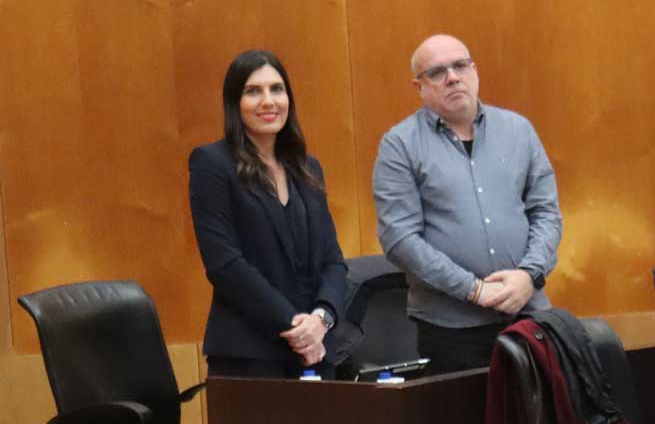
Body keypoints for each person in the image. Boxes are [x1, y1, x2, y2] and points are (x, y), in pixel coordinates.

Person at [373, 34, 561, 373]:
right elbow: (399, 239)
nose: (452, 77)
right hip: (450, 330)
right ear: (419, 87)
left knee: (541, 409)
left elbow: (545, 212)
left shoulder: (518, 131)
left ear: (474, 70)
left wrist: (529, 275)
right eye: (437, 72)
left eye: (460, 66)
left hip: (528, 314)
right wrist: (473, 290)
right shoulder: (399, 145)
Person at [187, 50, 349, 378]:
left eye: (277, 89)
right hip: (250, 355)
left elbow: (333, 261)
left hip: (317, 351)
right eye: (253, 91)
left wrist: (321, 319)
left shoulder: (307, 167)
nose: (268, 101)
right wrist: (296, 328)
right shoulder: (212, 163)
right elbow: (225, 265)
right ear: (235, 103)